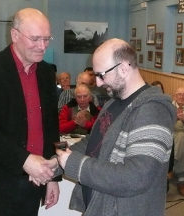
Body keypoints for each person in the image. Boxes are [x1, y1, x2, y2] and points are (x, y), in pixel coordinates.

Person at [54, 38, 176, 215]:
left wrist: (74, 164)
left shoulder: (152, 111)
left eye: (101, 75)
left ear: (124, 68)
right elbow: (93, 141)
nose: (98, 83)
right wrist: (56, 161)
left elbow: (135, 177)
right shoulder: (113, 103)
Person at [0, 8, 60, 216]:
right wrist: (25, 160)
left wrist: (52, 177)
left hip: (33, 184)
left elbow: (51, 127)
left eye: (46, 38)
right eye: (35, 39)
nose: (42, 46)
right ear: (15, 35)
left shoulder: (47, 72)